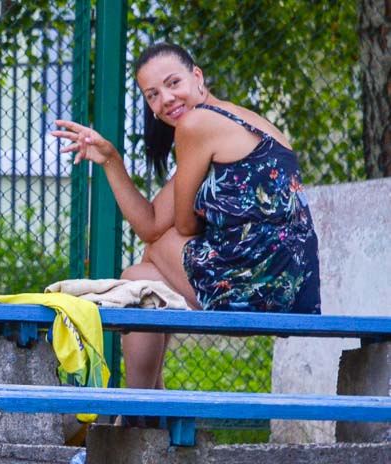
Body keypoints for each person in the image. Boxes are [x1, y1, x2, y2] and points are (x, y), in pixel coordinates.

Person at [51, 43, 321, 416]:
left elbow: (175, 227)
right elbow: (149, 221)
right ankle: (146, 407)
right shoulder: (217, 125)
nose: (165, 99)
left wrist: (178, 228)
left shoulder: (197, 126)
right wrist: (110, 159)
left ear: (197, 77)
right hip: (288, 286)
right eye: (153, 95)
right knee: (138, 281)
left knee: (149, 264)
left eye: (173, 82)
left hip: (261, 280)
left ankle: (138, 412)